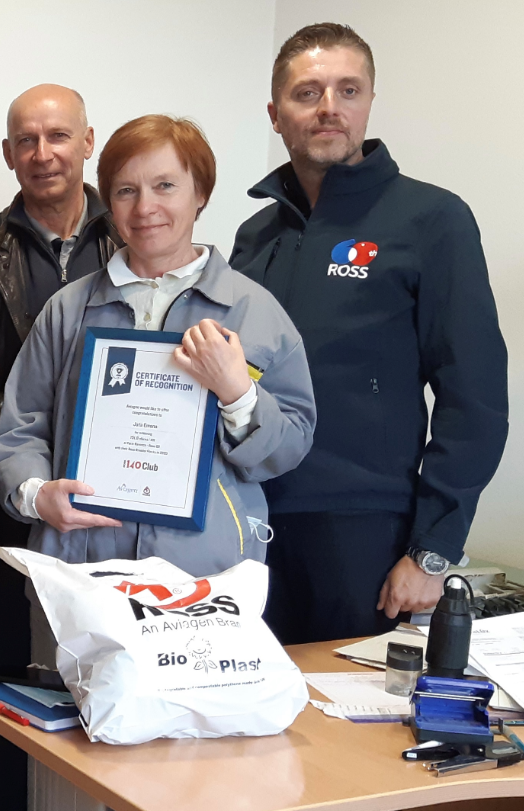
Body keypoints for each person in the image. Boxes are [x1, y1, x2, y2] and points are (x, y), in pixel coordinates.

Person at [0, 115, 316, 656]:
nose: (145, 208)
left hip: (205, 581)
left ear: (200, 193)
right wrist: (37, 495)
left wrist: (238, 394)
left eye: (165, 185)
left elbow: (291, 446)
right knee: (71, 734)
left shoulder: (253, 311)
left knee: (194, 734)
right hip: (81, 573)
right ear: (108, 203)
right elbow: (20, 429)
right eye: (126, 190)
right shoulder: (69, 311)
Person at [230, 23, 509, 645]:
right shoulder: (255, 238)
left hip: (365, 536)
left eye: (347, 90)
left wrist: (433, 549)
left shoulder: (433, 220)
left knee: (346, 733)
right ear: (276, 115)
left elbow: (477, 399)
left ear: (369, 103)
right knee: (248, 731)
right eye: (308, 93)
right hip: (250, 524)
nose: (330, 107)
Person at [0, 84, 118, 811]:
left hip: (113, 509)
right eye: (26, 140)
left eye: (57, 136)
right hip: (2, 511)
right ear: (8, 153)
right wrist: (37, 464)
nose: (43, 153)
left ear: (87, 141)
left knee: (106, 675)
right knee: (6, 683)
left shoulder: (132, 232)